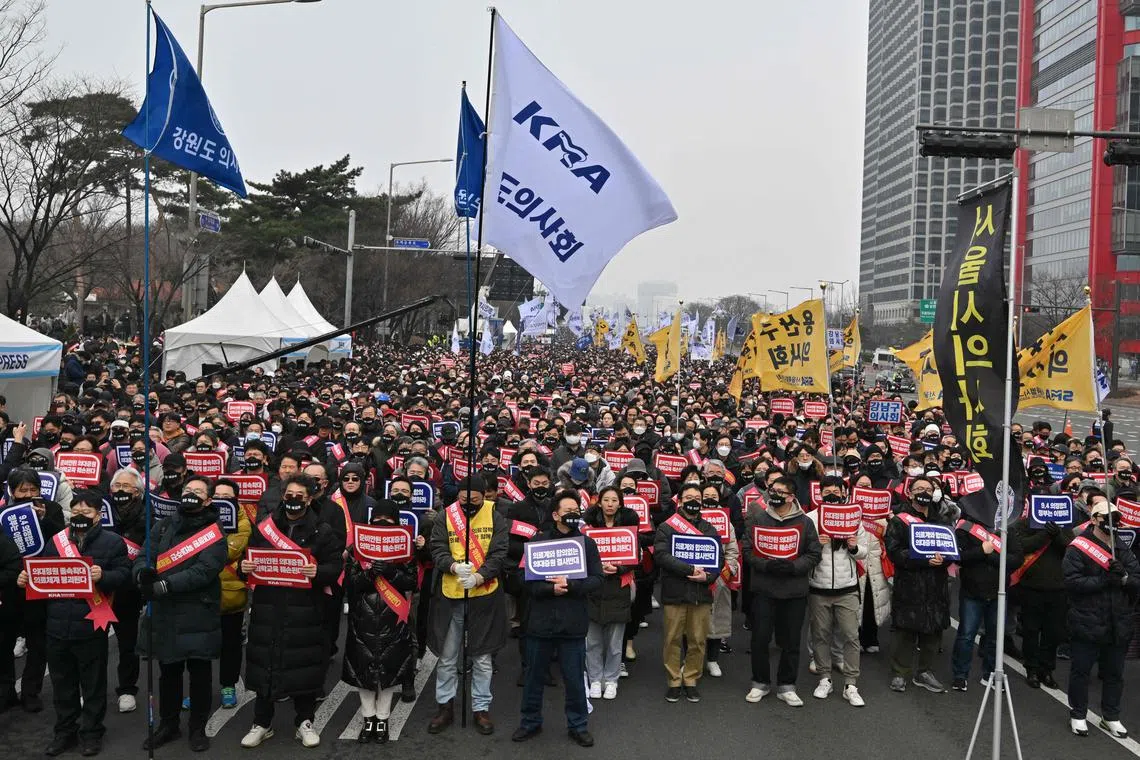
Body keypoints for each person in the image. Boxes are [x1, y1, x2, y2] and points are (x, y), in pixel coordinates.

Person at [18, 489, 130, 757]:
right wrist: (25, 579)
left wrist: (104, 575)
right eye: (76, 512)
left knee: (92, 685)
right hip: (56, 626)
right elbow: (40, 574)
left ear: (98, 515)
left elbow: (125, 574)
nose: (81, 517)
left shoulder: (113, 542)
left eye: (87, 513)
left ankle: (91, 733)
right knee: (62, 685)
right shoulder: (56, 541)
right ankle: (64, 732)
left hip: (91, 624)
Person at [239, 474, 344, 749]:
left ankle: (304, 722)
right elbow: (248, 558)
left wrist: (319, 572)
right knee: (266, 664)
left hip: (306, 610)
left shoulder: (322, 531)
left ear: (310, 498)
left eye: (300, 495)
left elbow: (335, 566)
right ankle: (262, 722)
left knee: (304, 667)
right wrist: (244, 568)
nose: (293, 499)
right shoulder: (265, 528)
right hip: (267, 607)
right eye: (289, 494)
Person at [135, 474, 228, 753]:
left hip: (198, 610)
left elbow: (205, 570)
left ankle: (198, 727)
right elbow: (144, 555)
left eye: (198, 491)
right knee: (169, 671)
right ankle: (169, 723)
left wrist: (166, 585)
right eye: (188, 489)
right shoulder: (164, 526)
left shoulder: (214, 532)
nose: (191, 494)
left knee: (199, 672)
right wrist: (142, 575)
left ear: (208, 499)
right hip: (165, 613)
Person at [512, 490, 603, 747]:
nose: (573, 514)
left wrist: (572, 585)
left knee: (574, 680)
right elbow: (521, 579)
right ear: (555, 515)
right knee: (533, 678)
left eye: (577, 510)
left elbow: (597, 579)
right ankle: (530, 722)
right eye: (568, 510)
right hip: (539, 622)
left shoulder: (587, 544)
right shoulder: (538, 541)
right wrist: (548, 589)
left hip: (572, 624)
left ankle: (578, 725)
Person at [426, 476, 509, 736]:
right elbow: (436, 546)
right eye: (464, 501)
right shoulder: (445, 515)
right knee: (448, 657)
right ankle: (445, 706)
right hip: (450, 595)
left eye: (474, 501)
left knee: (482, 658)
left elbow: (500, 551)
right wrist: (451, 565)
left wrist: (479, 575)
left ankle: (480, 708)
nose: (468, 505)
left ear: (484, 496)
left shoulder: (495, 514)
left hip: (484, 593)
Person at [742, 475, 822, 707]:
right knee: (760, 638)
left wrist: (793, 566)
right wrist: (765, 564)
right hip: (764, 588)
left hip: (793, 591)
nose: (773, 494)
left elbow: (814, 554)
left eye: (779, 491)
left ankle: (787, 685)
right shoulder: (759, 517)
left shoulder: (805, 522)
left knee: (791, 641)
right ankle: (760, 682)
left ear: (791, 496)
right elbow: (747, 549)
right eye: (771, 490)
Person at [1064, 497, 1140, 738]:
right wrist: (1103, 580)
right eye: (1107, 519)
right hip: (1087, 619)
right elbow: (1072, 582)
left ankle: (1111, 716)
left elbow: (1136, 578)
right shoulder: (1078, 547)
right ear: (1094, 519)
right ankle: (1078, 714)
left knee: (1115, 673)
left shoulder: (1121, 546)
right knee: (1081, 671)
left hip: (1118, 621)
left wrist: (1125, 578)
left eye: (1116, 519)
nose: (1112, 523)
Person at [342, 499, 416, 744]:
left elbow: (412, 582)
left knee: (388, 671)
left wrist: (391, 572)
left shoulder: (405, 547)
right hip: (362, 617)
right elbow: (349, 585)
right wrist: (370, 574)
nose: (382, 523)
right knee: (363, 673)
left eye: (388, 519)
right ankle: (368, 718)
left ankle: (383, 719)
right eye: (379, 519)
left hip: (392, 617)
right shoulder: (357, 547)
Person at [884, 475, 954, 694]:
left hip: (936, 585)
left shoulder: (941, 520)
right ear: (910, 493)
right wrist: (923, 559)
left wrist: (945, 559)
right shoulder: (899, 520)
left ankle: (925, 672)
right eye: (919, 488)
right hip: (910, 584)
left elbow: (952, 550)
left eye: (928, 488)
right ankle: (900, 673)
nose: (924, 492)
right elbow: (895, 552)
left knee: (932, 632)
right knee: (905, 631)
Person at [654, 481, 723, 704]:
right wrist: (689, 569)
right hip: (675, 592)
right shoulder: (667, 527)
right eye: (689, 497)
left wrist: (708, 576)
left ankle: (691, 678)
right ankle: (674, 680)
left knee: (698, 640)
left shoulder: (709, 528)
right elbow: (662, 556)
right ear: (680, 500)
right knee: (672, 639)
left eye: (697, 498)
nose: (694, 501)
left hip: (701, 593)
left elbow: (718, 559)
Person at [8, 467, 66, 714]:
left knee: (37, 640)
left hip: (41, 582)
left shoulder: (51, 508)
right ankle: (6, 691)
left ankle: (31, 690)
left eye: (33, 489)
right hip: (12, 584)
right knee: (5, 640)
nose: (29, 494)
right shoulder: (5, 513)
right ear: (12, 492)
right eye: (23, 490)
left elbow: (62, 538)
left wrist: (44, 519)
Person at [806, 475, 867, 706]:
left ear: (844, 493)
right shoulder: (811, 518)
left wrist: (853, 546)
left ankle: (851, 684)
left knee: (851, 636)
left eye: (836, 491)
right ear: (819, 494)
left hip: (847, 588)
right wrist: (816, 544)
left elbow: (864, 552)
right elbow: (802, 552)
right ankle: (824, 678)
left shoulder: (854, 519)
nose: (832, 494)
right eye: (827, 491)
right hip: (818, 588)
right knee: (820, 635)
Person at [951, 502, 1023, 692]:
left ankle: (990, 674)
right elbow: (958, 556)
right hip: (972, 591)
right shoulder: (966, 527)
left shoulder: (1007, 528)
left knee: (995, 637)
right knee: (966, 635)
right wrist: (981, 551)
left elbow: (1016, 559)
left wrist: (990, 556)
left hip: (998, 592)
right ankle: (960, 675)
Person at [1010, 492, 1075, 690]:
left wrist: (1056, 534)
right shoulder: (1022, 524)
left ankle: (1047, 670)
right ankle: (1031, 669)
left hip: (1058, 589)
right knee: (1030, 631)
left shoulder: (1064, 526)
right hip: (1031, 588)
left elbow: (1070, 549)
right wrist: (1045, 534)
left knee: (1053, 633)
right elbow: (1022, 546)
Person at [583, 485, 638, 698]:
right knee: (593, 640)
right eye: (606, 500)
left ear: (620, 503)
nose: (610, 504)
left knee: (615, 643)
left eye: (614, 500)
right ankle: (595, 679)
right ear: (599, 502)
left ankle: (612, 679)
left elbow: (636, 557)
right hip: (594, 587)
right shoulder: (588, 527)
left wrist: (620, 568)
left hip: (619, 587)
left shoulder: (628, 527)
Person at [106, 468, 147, 713]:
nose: (120, 491)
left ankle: (127, 689)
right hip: (98, 589)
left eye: (126, 487)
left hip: (127, 591)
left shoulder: (147, 516)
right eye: (117, 486)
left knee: (127, 644)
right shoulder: (101, 511)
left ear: (138, 492)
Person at [212, 477, 252, 709]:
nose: (221, 501)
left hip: (232, 594)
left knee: (231, 644)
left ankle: (228, 685)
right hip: (202, 594)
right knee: (202, 647)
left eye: (227, 498)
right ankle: (201, 690)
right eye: (217, 497)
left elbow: (230, 550)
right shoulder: (197, 520)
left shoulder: (243, 522)